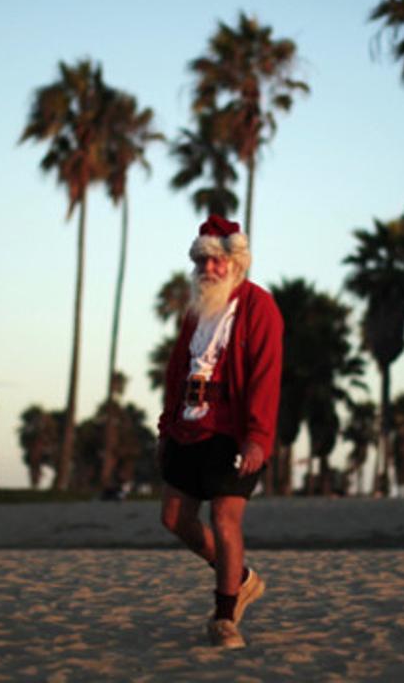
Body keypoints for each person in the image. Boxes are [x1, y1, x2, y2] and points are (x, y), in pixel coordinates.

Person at [157, 214, 283, 649]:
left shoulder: (258, 306)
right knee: (174, 518)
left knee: (225, 519)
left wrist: (259, 437)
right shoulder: (195, 313)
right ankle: (241, 577)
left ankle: (225, 616)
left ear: (235, 262)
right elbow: (177, 371)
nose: (208, 269)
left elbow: (267, 375)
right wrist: (165, 426)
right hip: (189, 427)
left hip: (234, 431)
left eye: (217, 261)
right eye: (202, 261)